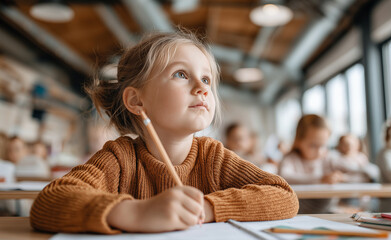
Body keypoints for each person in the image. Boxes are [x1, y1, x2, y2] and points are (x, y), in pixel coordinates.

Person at [30, 31, 299, 234]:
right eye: (181, 74)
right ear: (136, 101)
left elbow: (283, 195)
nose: (202, 88)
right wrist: (135, 213)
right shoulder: (121, 158)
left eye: (206, 79)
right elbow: (49, 201)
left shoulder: (213, 157)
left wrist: (204, 208)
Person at [278, 114, 342, 214]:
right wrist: (320, 179)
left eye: (323, 145)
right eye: (313, 145)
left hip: (325, 211)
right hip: (298, 211)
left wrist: (341, 177)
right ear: (298, 141)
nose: (319, 151)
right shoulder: (291, 158)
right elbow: (284, 177)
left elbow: (348, 170)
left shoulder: (327, 158)